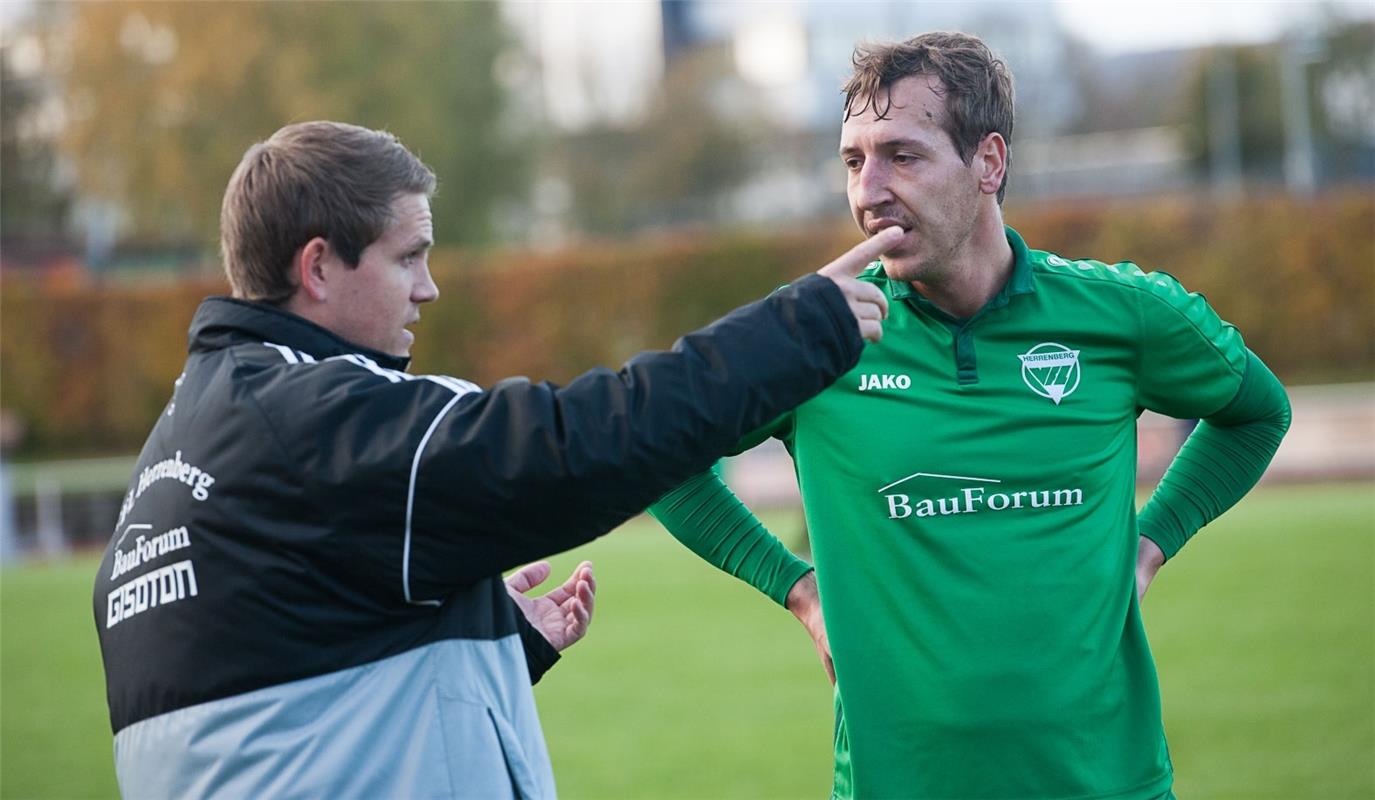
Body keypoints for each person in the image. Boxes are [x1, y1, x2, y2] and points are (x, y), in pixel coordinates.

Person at [92, 120, 904, 798]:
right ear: (317, 268)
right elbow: (572, 448)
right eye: (408, 255)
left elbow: (282, 703)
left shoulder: (191, 439)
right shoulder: (311, 420)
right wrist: (796, 330)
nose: (429, 288)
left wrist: (489, 644)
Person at [650, 32, 1291, 800]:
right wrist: (794, 588)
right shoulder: (811, 341)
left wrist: (1150, 543)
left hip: (1107, 784)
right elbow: (658, 454)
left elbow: (1257, 413)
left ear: (988, 161)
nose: (868, 191)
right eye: (853, 161)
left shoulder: (1121, 316)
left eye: (902, 155)